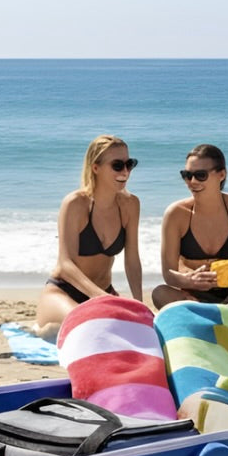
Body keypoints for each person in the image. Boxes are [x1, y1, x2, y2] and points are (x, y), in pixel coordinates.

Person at [34, 135, 143, 339]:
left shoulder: (130, 205)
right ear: (96, 168)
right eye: (117, 165)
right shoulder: (75, 203)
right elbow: (65, 265)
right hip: (63, 292)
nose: (125, 172)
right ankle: (50, 328)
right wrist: (98, 297)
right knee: (91, 328)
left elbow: (132, 260)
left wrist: (140, 305)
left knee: (132, 328)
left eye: (129, 164)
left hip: (103, 293)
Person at [151, 144, 228, 309]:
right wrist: (190, 281)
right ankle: (217, 315)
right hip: (191, 296)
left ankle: (213, 316)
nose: (192, 181)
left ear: (221, 174)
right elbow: (169, 273)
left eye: (200, 175)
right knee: (160, 293)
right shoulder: (176, 213)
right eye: (187, 175)